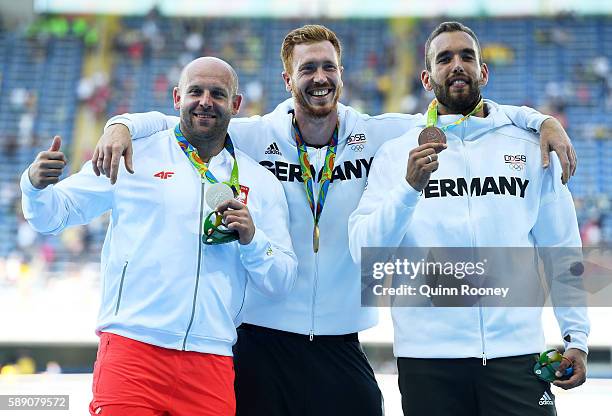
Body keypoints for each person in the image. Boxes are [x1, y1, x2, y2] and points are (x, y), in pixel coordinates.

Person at [92, 25, 578, 416]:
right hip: (261, 336)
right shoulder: (253, 135)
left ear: (341, 74)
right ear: (288, 80)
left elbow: (464, 111)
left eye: (328, 66)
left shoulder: (382, 134)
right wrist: (124, 123)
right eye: (307, 68)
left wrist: (541, 121)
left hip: (341, 339)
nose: (319, 77)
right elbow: (187, 115)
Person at [20, 57, 297, 416]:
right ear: (177, 97)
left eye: (218, 93)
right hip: (132, 350)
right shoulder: (133, 154)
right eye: (195, 91)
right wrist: (35, 186)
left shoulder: (260, 182)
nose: (205, 101)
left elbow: (282, 281)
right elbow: (54, 215)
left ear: (236, 104)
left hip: (210, 358)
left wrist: (253, 240)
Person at [348, 22, 589, 416]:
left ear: (484, 72)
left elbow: (562, 247)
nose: (456, 65)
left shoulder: (531, 146)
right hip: (428, 360)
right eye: (444, 58)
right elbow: (364, 252)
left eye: (466, 57)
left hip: (518, 355)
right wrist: (408, 190)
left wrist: (576, 336)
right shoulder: (396, 154)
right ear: (427, 78)